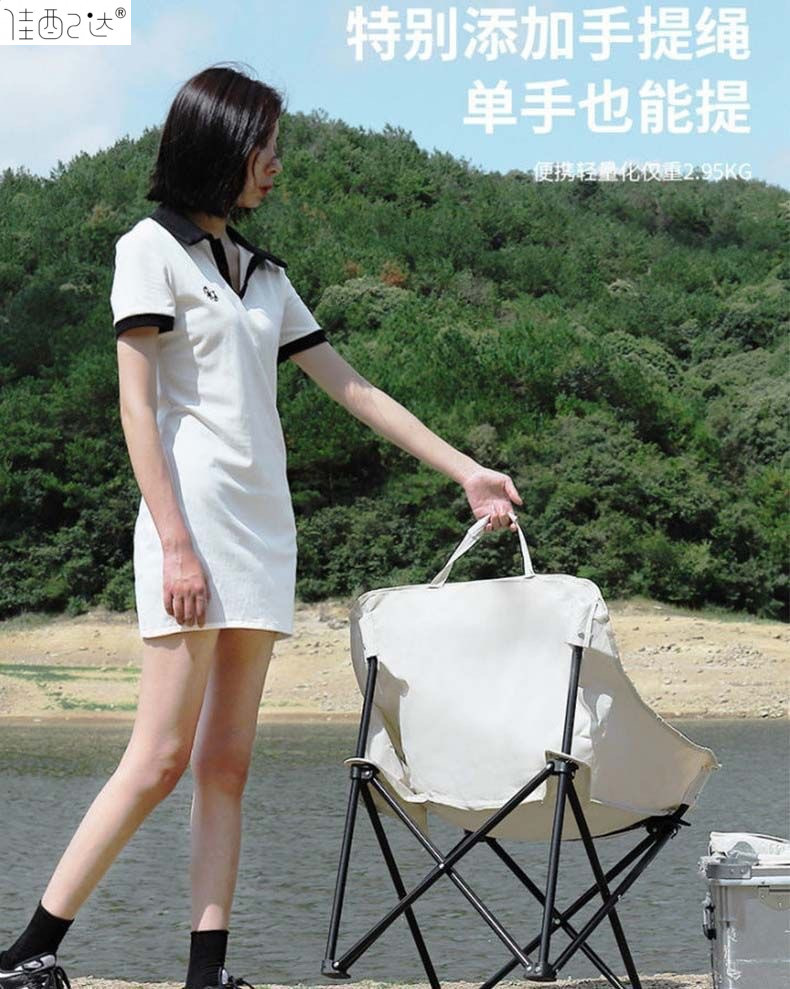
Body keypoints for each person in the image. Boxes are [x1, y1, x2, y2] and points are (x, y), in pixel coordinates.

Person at [0, 62, 522, 989]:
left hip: (262, 533)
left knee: (227, 765)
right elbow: (135, 408)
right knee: (160, 756)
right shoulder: (147, 250)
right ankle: (27, 951)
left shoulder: (263, 274)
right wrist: (174, 541)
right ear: (220, 146)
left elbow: (352, 386)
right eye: (265, 147)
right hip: (190, 528)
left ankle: (207, 972)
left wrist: (466, 470)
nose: (276, 164)